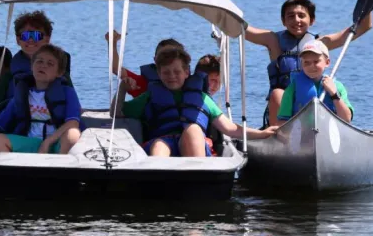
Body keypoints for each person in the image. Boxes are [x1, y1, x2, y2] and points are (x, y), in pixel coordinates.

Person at [215, 0, 366, 126]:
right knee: (278, 93)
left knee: (326, 92)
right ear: (283, 21)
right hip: (281, 111)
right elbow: (232, 24)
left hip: (311, 104)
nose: (296, 20)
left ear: (312, 20)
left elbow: (362, 26)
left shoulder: (321, 43)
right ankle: (275, 138)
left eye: (302, 15)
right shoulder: (272, 40)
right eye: (291, 16)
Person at [112, 47, 277, 157]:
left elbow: (231, 129)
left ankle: (198, 179)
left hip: (194, 144)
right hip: (162, 141)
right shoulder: (150, 96)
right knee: (159, 146)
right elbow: (116, 114)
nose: (171, 76)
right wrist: (122, 89)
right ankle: (160, 184)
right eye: (166, 72)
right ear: (159, 74)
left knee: (193, 129)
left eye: (177, 71)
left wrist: (262, 133)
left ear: (186, 72)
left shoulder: (202, 98)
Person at [277, 40, 353, 124]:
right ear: (301, 64)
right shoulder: (293, 88)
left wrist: (334, 94)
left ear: (327, 62)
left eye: (316, 61)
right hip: (301, 132)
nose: (311, 66)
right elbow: (282, 121)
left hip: (330, 132)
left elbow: (346, 119)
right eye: (306, 62)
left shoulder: (337, 86)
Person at [105, 31, 183, 97]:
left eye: (172, 56)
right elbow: (116, 69)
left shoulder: (191, 85)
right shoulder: (144, 84)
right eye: (163, 57)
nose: (168, 61)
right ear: (155, 60)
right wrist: (112, 43)